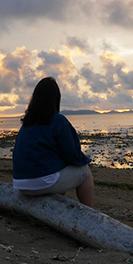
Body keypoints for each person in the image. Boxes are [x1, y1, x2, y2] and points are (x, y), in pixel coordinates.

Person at [13, 77, 94, 207]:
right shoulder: (58, 120)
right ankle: (91, 215)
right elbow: (72, 154)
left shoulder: (27, 123)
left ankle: (54, 207)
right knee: (84, 172)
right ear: (56, 99)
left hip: (20, 182)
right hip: (40, 182)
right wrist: (85, 160)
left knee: (58, 170)